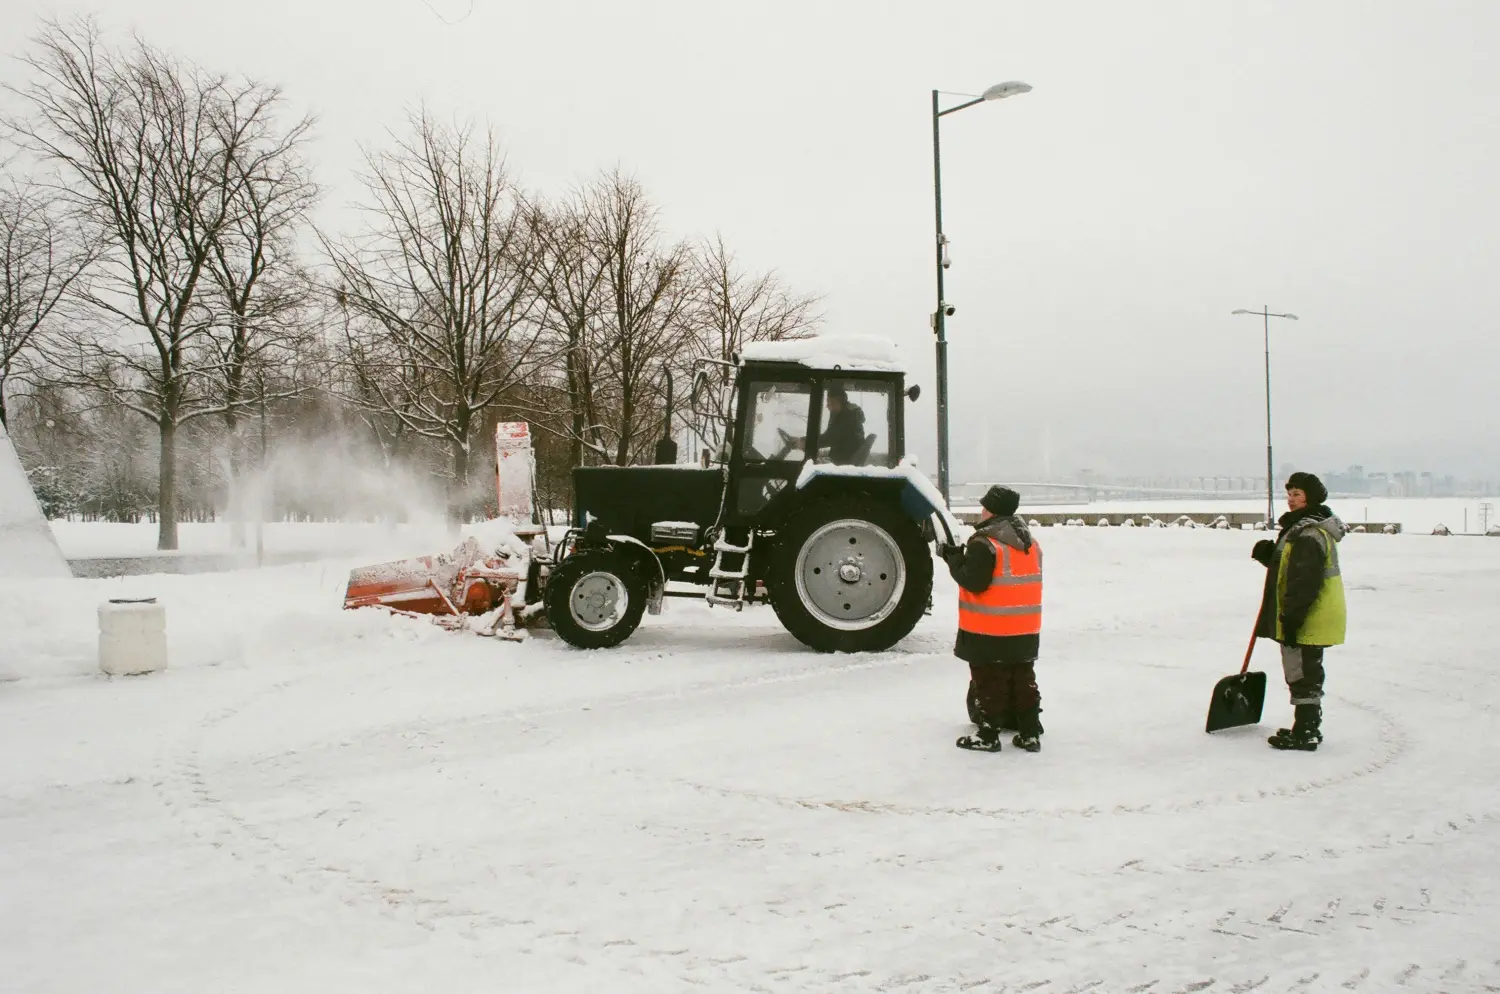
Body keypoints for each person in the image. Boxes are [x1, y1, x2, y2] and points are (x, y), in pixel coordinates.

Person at [941, 485, 1044, 753]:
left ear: (993, 510)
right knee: (1023, 678)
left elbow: (974, 582)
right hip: (1025, 627)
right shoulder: (1030, 543)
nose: (981, 510)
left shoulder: (985, 543)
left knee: (989, 680)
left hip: (990, 628)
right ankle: (1030, 733)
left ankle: (988, 735)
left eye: (985, 506)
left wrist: (953, 560)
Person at [1251, 472, 1348, 752]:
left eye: (1297, 494)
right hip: (1309, 614)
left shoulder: (1307, 533)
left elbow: (1304, 581)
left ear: (1311, 498)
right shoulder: (1302, 529)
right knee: (1306, 669)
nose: (1291, 500)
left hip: (1307, 615)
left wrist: (1292, 619)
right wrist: (1269, 556)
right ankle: (1307, 726)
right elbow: (1291, 570)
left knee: (1302, 671)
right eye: (1290, 494)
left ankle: (1306, 731)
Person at [819, 386, 867, 464]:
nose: (827, 406)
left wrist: (807, 442)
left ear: (837, 402)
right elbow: (840, 442)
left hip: (842, 461)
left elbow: (830, 438)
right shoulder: (851, 415)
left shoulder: (846, 417)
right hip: (844, 458)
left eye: (829, 402)